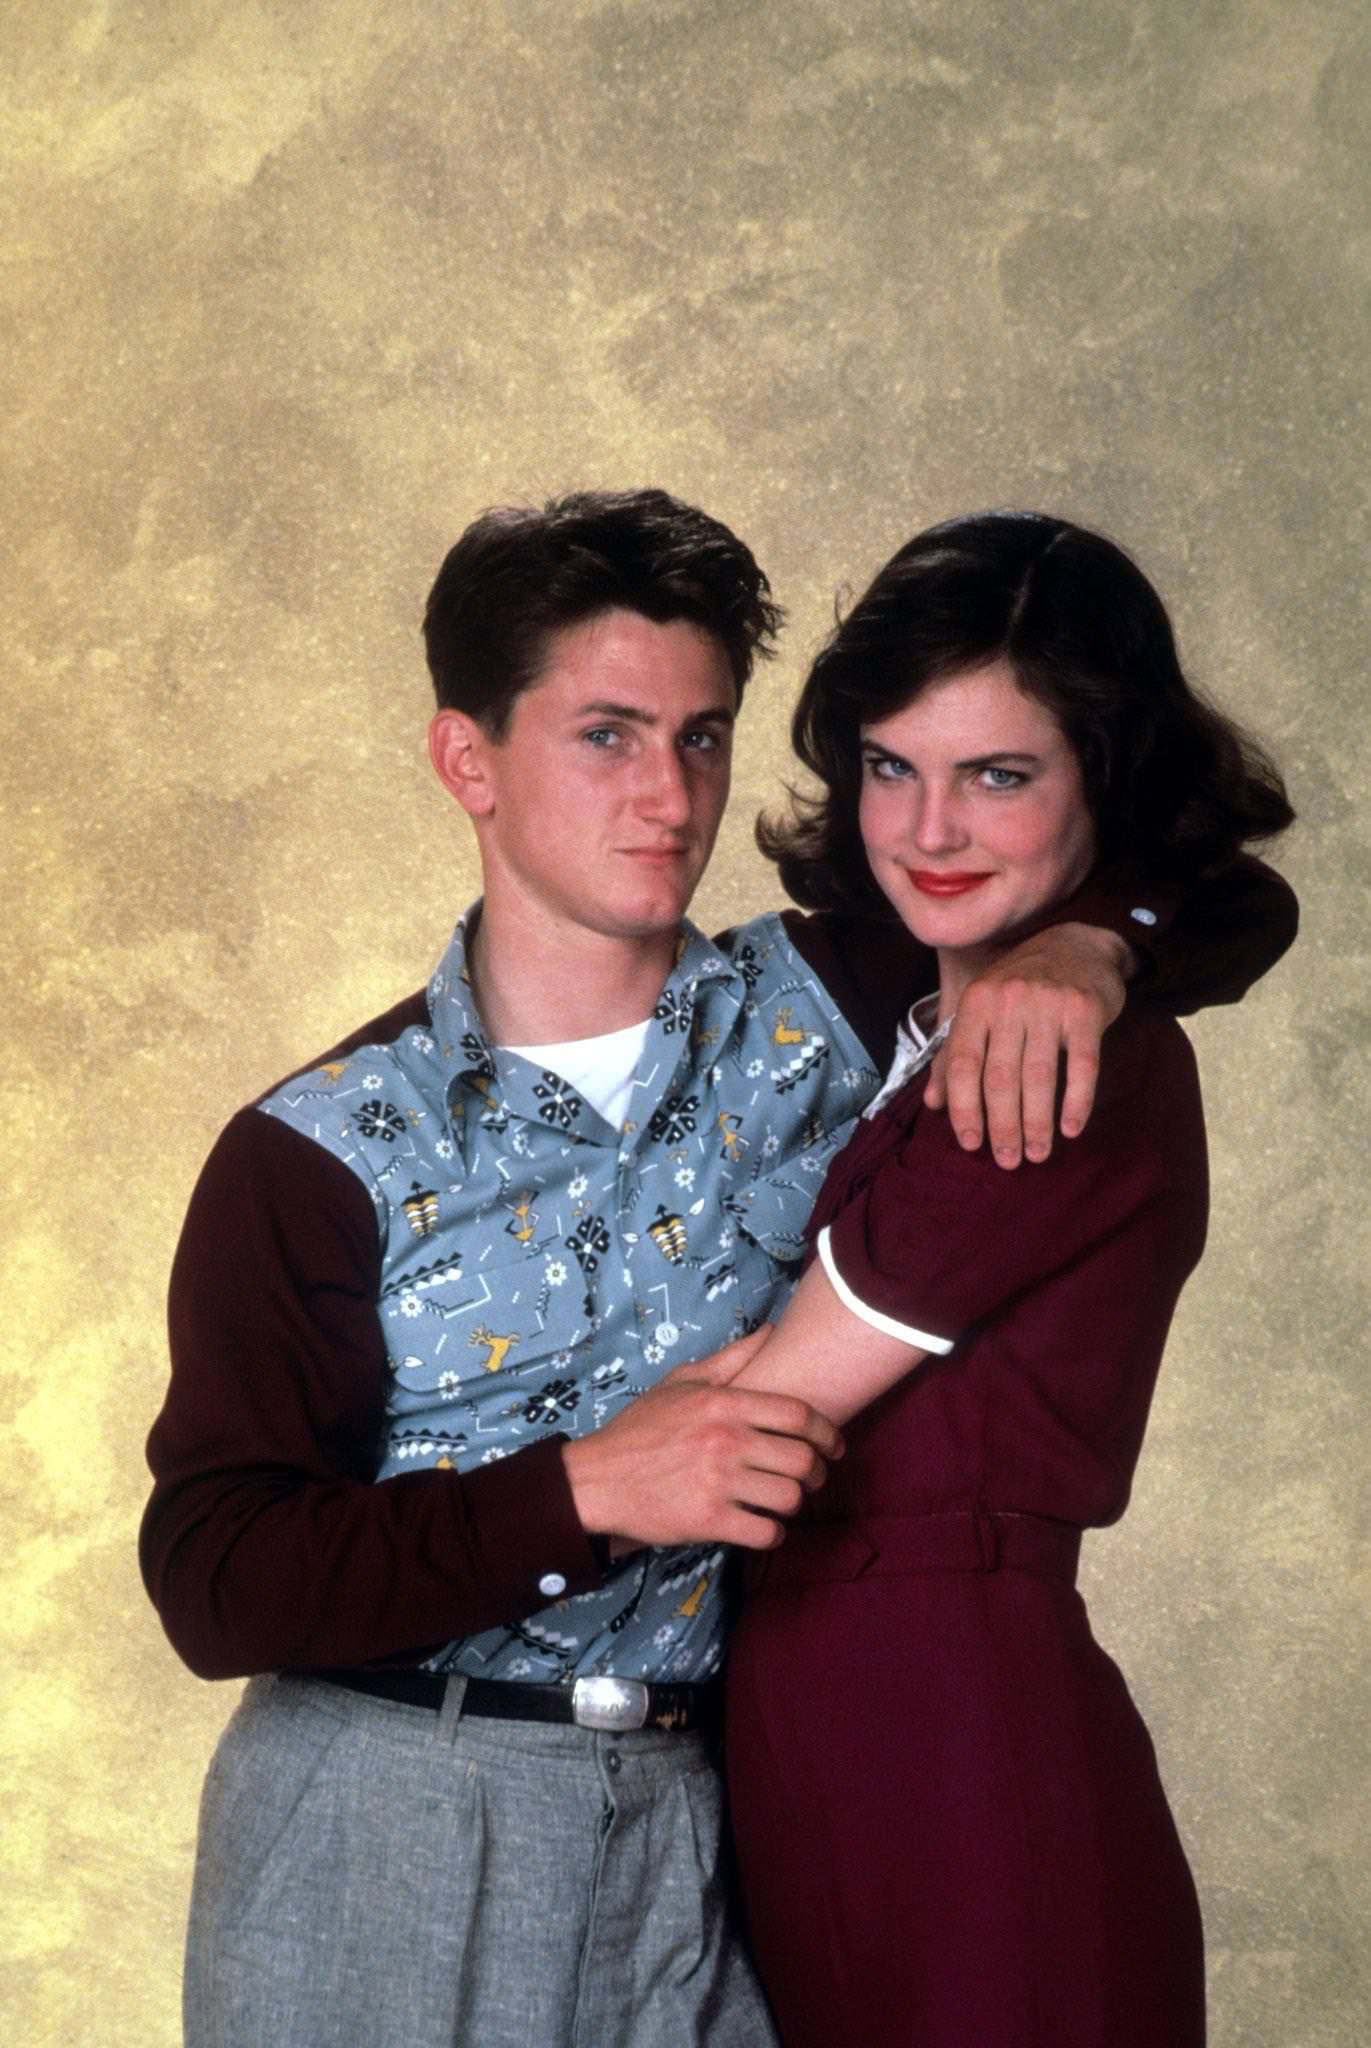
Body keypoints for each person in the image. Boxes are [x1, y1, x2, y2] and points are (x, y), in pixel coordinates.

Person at [139, 490, 1296, 2048]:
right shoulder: (316, 1152)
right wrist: (588, 1493)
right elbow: (214, 1576)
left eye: (702, 736)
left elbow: (1205, 879)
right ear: (468, 760)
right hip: (392, 1807)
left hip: (711, 1821)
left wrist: (1098, 946)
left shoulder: (848, 998)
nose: (669, 795)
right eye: (607, 736)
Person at [716, 510, 1296, 2048]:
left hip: (958, 1731)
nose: (930, 830)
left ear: (1104, 781)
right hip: (813, 1725)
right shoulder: (904, 1018)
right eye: (891, 766)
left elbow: (760, 1414)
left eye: (998, 775)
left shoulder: (1058, 1070)